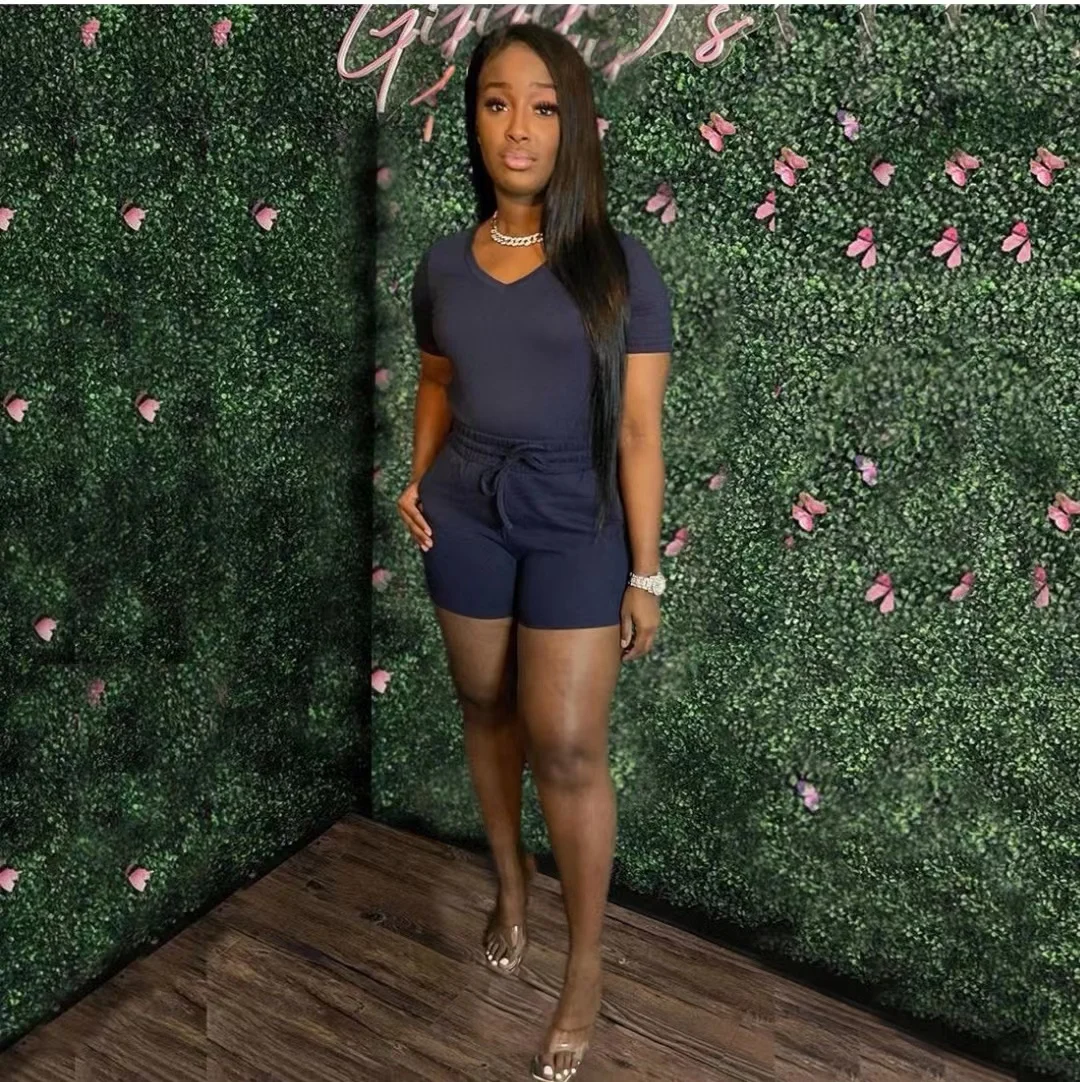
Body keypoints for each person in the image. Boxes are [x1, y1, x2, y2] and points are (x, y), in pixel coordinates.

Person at [399, 21, 672, 1082]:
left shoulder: (619, 265)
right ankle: (510, 884)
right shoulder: (441, 264)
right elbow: (436, 379)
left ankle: (585, 966)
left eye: (544, 106)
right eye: (497, 102)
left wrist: (644, 571)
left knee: (566, 745)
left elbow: (638, 431)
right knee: (486, 707)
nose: (519, 127)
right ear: (475, 122)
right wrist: (418, 475)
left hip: (576, 521)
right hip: (464, 515)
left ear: (575, 127)